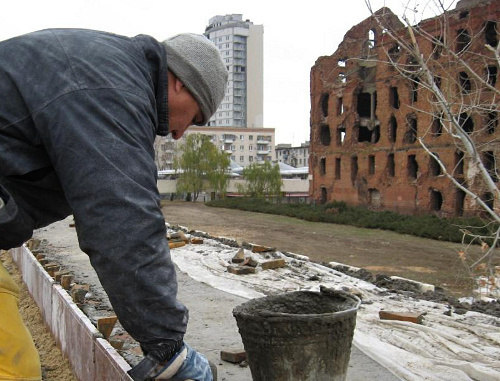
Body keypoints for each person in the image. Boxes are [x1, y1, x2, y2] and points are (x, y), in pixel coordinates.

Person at [0, 29, 228, 381]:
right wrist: (168, 347)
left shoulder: (108, 73)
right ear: (182, 84)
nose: (182, 133)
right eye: (197, 118)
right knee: (12, 369)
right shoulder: (110, 91)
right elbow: (122, 221)